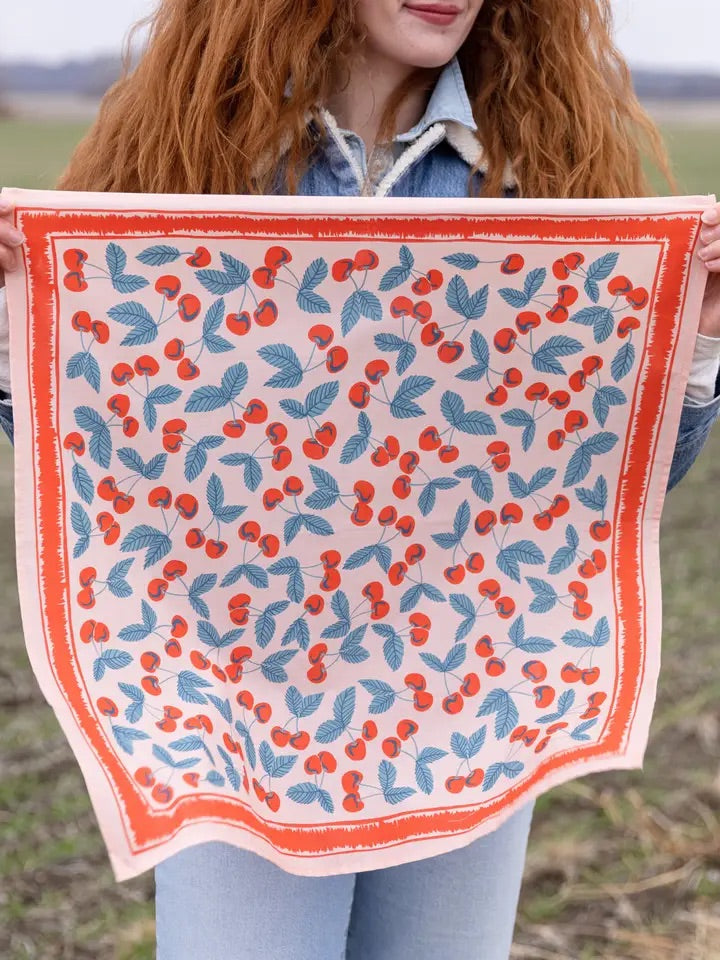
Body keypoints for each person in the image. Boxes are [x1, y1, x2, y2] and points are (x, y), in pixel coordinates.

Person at [1, 2, 719, 958]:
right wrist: (17, 330)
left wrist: (697, 337)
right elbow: (99, 450)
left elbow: (595, 494)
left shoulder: (540, 175)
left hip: (466, 694)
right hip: (240, 702)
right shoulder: (189, 151)